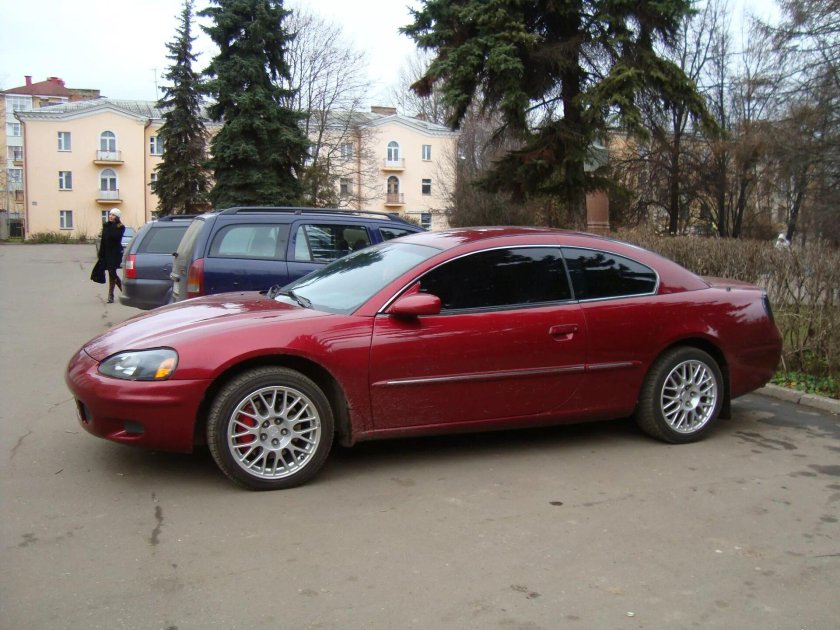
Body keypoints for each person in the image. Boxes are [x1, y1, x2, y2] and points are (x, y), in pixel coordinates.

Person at [98, 209, 125, 303]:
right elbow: (103, 240)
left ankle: (123, 291)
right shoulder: (106, 226)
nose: (111, 216)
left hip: (115, 253)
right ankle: (111, 296)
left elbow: (115, 237)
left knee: (112, 271)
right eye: (110, 214)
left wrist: (112, 226)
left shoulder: (120, 227)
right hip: (106, 252)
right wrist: (100, 253)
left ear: (117, 217)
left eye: (113, 215)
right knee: (111, 273)